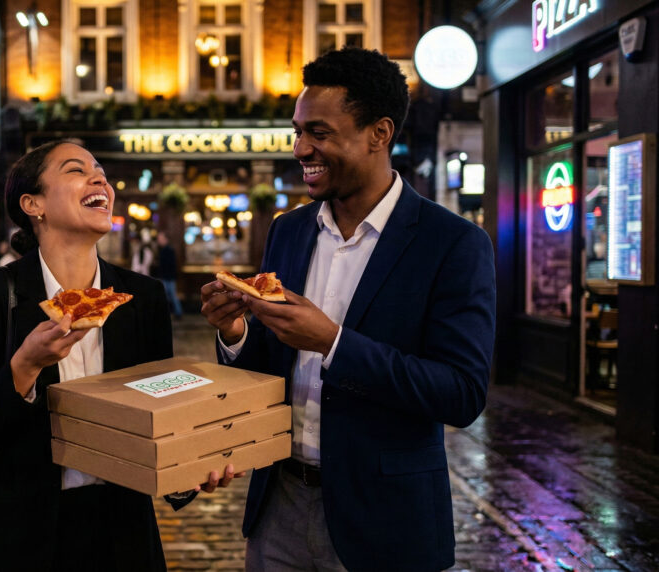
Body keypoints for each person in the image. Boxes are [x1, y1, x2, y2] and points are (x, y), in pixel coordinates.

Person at [200, 47, 496, 571]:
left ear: (379, 134)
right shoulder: (289, 230)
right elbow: (269, 369)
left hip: (385, 522)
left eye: (319, 133)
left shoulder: (452, 243)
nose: (300, 148)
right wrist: (236, 332)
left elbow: (461, 393)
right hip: (279, 507)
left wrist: (333, 343)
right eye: (297, 131)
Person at [0, 140, 238, 570]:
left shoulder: (143, 297)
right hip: (19, 538)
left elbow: (160, 419)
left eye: (100, 170)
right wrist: (25, 366)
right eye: (76, 170)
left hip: (123, 536)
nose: (99, 178)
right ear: (33, 204)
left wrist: (192, 470)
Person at [155, 232, 183, 319]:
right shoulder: (163, 250)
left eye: (160, 238)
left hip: (168, 277)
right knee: (169, 296)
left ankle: (177, 312)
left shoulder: (168, 250)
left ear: (166, 239)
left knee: (170, 296)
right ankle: (173, 313)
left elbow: (169, 265)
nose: (159, 240)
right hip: (167, 276)